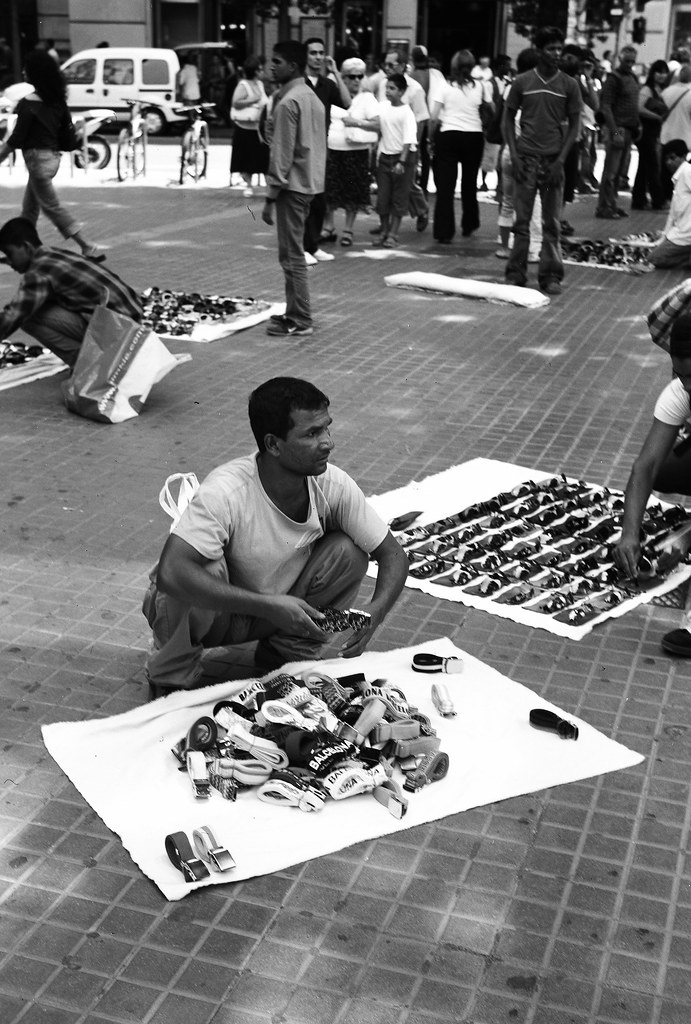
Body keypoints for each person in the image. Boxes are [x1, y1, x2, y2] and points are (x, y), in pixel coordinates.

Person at [142, 376, 409, 696]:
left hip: (280, 615)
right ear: (273, 445)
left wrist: (377, 610)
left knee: (348, 552)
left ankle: (285, 653)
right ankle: (171, 672)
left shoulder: (333, 485)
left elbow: (393, 555)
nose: (328, 443)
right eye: (311, 434)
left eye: (327, 428)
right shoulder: (226, 491)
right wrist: (268, 606)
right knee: (194, 569)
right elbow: (172, 573)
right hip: (221, 615)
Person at [613, 314, 691, 657]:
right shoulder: (681, 391)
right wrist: (629, 534)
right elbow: (644, 467)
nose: (686, 384)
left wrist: (687, 537)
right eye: (679, 374)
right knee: (663, 470)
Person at [0, 217, 142, 369]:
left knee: (28, 316)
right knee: (37, 304)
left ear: (27, 247)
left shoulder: (38, 272)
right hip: (134, 326)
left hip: (118, 332)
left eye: (10, 254)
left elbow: (13, 316)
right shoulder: (55, 254)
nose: (9, 262)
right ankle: (92, 358)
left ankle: (87, 365)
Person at [0, 51, 103, 261]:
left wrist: (1, 156)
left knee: (51, 206)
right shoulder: (57, 100)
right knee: (30, 208)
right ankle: (24, 249)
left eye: (27, 69)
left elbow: (17, 138)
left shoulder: (29, 102)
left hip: (37, 161)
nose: (23, 72)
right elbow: (67, 135)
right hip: (52, 159)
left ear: (35, 73)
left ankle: (87, 245)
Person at [503, 26, 581, 296]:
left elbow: (575, 125)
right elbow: (506, 118)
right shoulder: (522, 82)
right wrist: (514, 154)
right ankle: (515, 272)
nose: (557, 53)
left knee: (551, 223)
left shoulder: (569, 85)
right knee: (521, 221)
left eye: (559, 48)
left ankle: (550, 276)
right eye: (551, 49)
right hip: (525, 160)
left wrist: (561, 160)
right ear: (539, 51)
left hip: (552, 162)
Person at [261, 41, 326, 337]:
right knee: (292, 254)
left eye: (278, 62)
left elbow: (282, 155)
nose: (272, 67)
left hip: (292, 186)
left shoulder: (290, 101)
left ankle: (300, 318)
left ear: (293, 66)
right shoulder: (309, 97)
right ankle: (294, 312)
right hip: (307, 183)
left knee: (292, 256)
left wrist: (270, 197)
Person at [347, 73, 417, 248]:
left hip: (402, 158)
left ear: (402, 91)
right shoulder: (383, 107)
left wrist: (401, 162)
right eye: (387, 87)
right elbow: (374, 122)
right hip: (385, 157)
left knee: (399, 198)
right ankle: (384, 231)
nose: (388, 91)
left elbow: (408, 141)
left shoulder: (407, 113)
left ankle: (393, 234)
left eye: (392, 88)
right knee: (383, 199)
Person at [428, 49, 492, 243]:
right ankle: (469, 224)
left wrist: (431, 139)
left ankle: (444, 231)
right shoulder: (481, 86)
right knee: (469, 183)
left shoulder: (444, 86)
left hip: (448, 135)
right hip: (474, 136)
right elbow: (491, 109)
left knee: (446, 185)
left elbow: (434, 117)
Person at [321, 57, 379, 246]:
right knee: (330, 190)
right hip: (333, 150)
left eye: (359, 76)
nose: (356, 80)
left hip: (356, 153)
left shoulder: (367, 98)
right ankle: (328, 227)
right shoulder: (335, 95)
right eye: (352, 76)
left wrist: (356, 122)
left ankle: (348, 230)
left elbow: (377, 124)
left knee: (352, 191)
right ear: (343, 77)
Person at [302, 38, 350, 264]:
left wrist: (336, 72)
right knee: (303, 200)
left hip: (322, 150)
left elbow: (347, 102)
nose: (318, 57)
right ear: (305, 56)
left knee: (320, 202)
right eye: (313, 53)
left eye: (321, 53)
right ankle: (301, 248)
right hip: (301, 150)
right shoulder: (298, 83)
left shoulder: (327, 85)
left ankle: (313, 246)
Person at [375, 49, 430, 233]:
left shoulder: (415, 89)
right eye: (385, 64)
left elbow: (421, 119)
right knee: (387, 186)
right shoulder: (384, 84)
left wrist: (415, 146)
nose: (387, 68)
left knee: (406, 184)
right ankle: (385, 225)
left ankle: (421, 209)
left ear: (402, 66)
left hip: (406, 145)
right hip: (386, 142)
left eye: (391, 64)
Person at [595, 45, 641, 219]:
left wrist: (637, 126)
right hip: (618, 128)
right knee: (611, 172)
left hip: (628, 129)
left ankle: (612, 204)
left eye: (632, 61)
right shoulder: (614, 79)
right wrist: (615, 133)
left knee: (619, 172)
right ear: (620, 59)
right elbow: (606, 107)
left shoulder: (632, 77)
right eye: (627, 61)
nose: (629, 64)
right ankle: (604, 206)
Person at [632, 60, 670, 211]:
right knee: (653, 167)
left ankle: (639, 200)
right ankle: (658, 201)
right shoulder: (647, 89)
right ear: (653, 73)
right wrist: (657, 117)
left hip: (652, 133)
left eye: (664, 72)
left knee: (644, 167)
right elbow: (638, 108)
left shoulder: (658, 90)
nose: (662, 75)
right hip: (645, 133)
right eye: (659, 72)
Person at [230, 55, 269, 196]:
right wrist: (252, 100)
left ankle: (268, 187)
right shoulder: (243, 85)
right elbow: (235, 102)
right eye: (260, 69)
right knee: (246, 159)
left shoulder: (260, 84)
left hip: (258, 128)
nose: (262, 72)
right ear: (255, 71)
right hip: (245, 127)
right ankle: (248, 185)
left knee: (263, 158)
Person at [648, 140, 691, 268]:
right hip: (682, 233)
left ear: (684, 156)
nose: (669, 163)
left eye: (673, 158)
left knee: (654, 258)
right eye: (666, 159)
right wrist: (664, 237)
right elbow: (672, 215)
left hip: (686, 235)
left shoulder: (687, 172)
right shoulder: (679, 177)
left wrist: (617, 133)